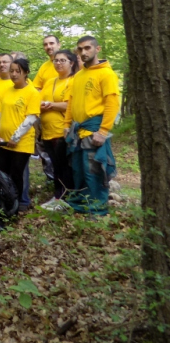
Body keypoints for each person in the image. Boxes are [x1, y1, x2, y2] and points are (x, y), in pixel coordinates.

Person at [57, 36, 119, 216]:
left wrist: (103, 130)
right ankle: (82, 203)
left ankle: (97, 207)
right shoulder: (79, 75)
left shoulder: (106, 74)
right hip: (77, 130)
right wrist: (67, 124)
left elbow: (112, 103)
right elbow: (71, 101)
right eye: (80, 49)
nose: (83, 52)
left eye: (87, 48)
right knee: (79, 170)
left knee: (94, 169)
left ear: (97, 49)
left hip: (94, 129)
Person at [0, 58, 41, 211]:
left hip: (21, 142)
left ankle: (17, 203)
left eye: (17, 71)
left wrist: (15, 137)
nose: (13, 74)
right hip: (2, 141)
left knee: (16, 174)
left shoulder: (32, 92)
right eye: (11, 71)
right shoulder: (6, 91)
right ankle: (4, 202)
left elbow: (31, 118)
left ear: (26, 73)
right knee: (2, 174)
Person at [39, 49, 77, 209]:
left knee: (64, 166)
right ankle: (57, 197)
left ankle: (67, 198)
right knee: (55, 166)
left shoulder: (73, 81)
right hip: (47, 131)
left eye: (63, 60)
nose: (58, 63)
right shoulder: (50, 82)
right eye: (56, 60)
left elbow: (70, 105)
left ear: (71, 63)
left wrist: (51, 105)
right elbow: (39, 101)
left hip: (62, 131)